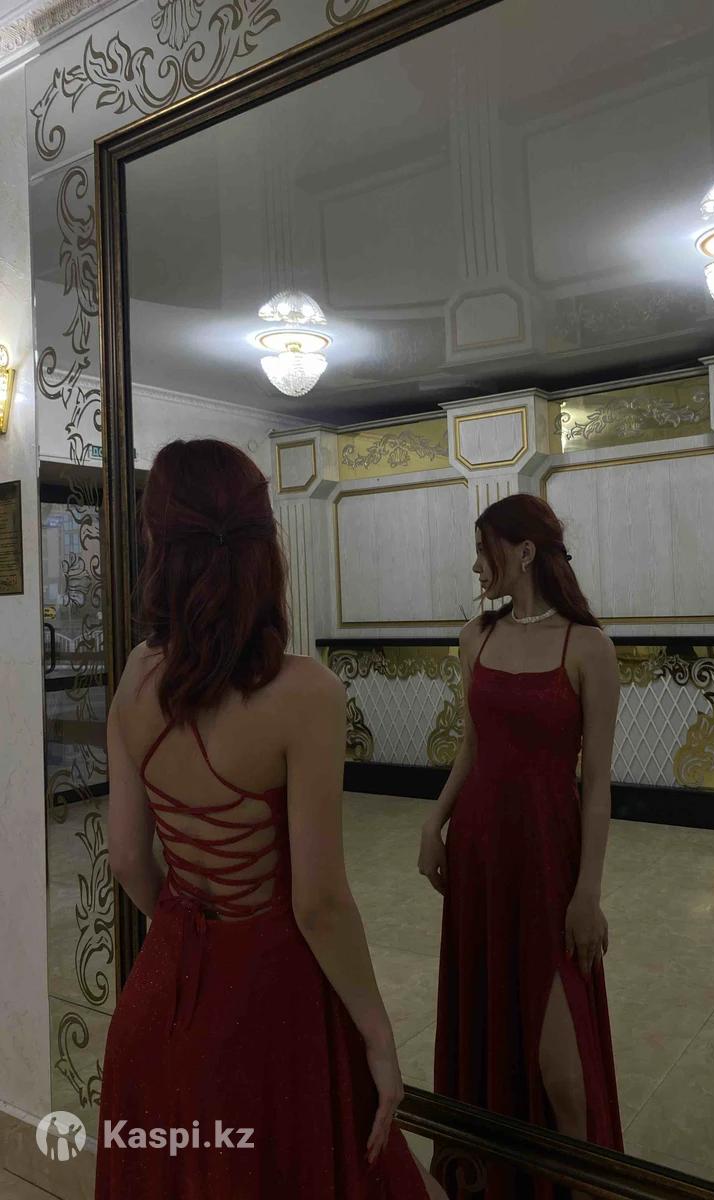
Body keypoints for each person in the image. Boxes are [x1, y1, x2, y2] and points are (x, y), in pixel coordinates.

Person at [96, 439, 443, 1199]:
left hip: (159, 996)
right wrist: (379, 1035)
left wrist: (188, 933)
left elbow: (125, 856)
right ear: (264, 548)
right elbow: (319, 903)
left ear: (159, 544)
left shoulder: (135, 673)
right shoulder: (305, 693)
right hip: (268, 1002)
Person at [419, 494, 623, 1200]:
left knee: (564, 1073)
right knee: (490, 1017)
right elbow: (473, 746)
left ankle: (584, 1185)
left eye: (486, 550)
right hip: (480, 852)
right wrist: (434, 821)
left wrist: (588, 892)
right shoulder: (474, 637)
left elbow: (597, 786)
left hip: (547, 857)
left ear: (525, 552)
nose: (477, 566)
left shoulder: (588, 647)